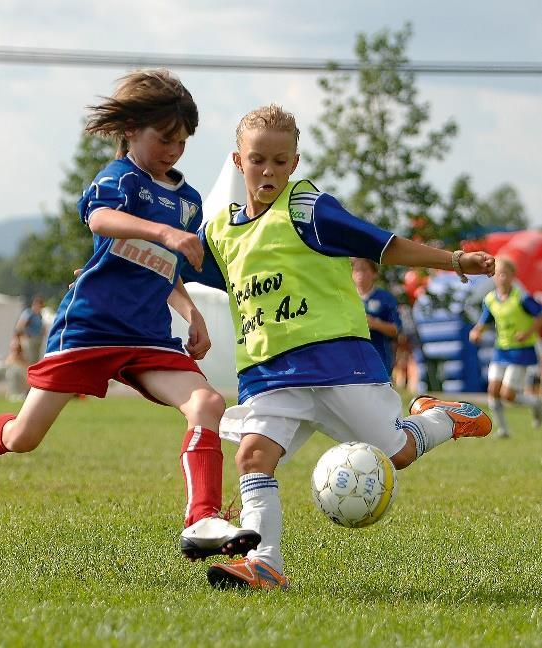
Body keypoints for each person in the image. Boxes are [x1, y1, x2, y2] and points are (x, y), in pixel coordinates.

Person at [0, 68, 259, 562]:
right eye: (165, 138)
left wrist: (191, 312)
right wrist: (165, 234)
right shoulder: (119, 179)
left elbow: (165, 270)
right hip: (89, 328)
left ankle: (201, 519)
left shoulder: (189, 201)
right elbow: (101, 220)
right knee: (24, 437)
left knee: (208, 404)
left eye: (183, 141)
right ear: (131, 129)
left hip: (148, 336)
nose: (175, 149)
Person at [184, 104, 495, 590]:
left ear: (295, 163)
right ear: (237, 160)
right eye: (258, 159)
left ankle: (440, 417)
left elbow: (382, 245)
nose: (268, 170)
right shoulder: (221, 230)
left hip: (337, 365)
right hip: (267, 374)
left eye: (281, 161)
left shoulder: (309, 210)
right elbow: (179, 267)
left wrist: (453, 260)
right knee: (253, 457)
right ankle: (265, 563)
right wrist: (125, 271)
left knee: (399, 452)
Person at [469, 256, 542, 438]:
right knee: (493, 390)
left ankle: (536, 404)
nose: (501, 278)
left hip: (522, 350)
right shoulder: (491, 299)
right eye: (498, 274)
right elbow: (485, 320)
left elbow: (539, 315)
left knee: (508, 395)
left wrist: (527, 332)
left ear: (512, 277)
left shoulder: (521, 297)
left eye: (505, 274)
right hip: (501, 350)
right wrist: (476, 331)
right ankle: (503, 430)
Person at [351, 257, 401, 377]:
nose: (360, 274)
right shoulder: (347, 298)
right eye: (356, 270)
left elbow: (396, 330)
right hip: (352, 359)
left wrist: (375, 324)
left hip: (379, 358)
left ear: (374, 274)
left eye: (364, 269)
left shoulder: (385, 298)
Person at [14, 295, 45, 365]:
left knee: (35, 360)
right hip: (29, 339)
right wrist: (18, 339)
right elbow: (20, 326)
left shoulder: (39, 315)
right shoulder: (28, 313)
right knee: (29, 360)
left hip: (37, 340)